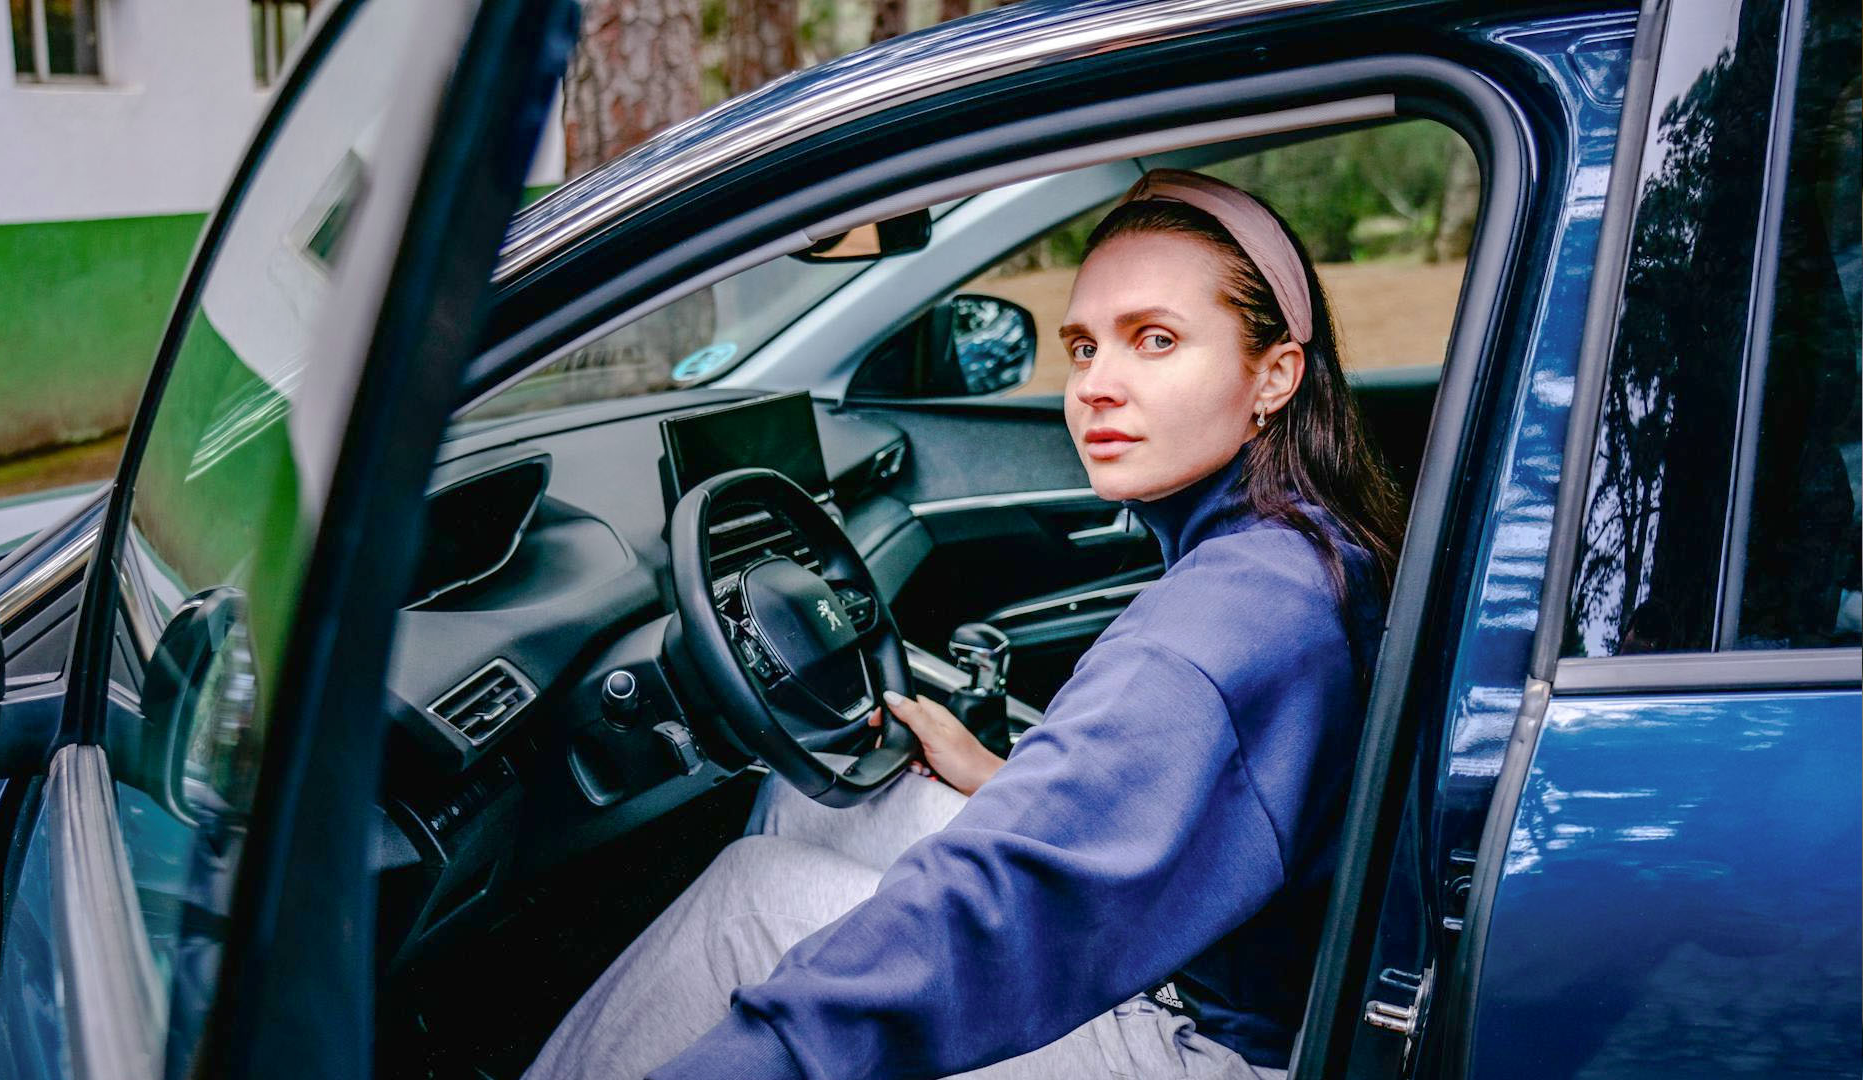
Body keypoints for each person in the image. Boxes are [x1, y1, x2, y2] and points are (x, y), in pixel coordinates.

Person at [525, 168, 1404, 1080]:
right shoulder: (1303, 546)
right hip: (1236, 968)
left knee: (749, 902)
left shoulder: (1219, 627)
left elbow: (995, 916)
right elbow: (1195, 809)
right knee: (809, 797)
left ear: (1274, 376)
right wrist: (998, 778)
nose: (1097, 384)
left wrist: (760, 1056)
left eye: (1155, 339)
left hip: (1221, 1047)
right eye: (1084, 346)